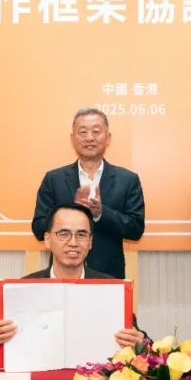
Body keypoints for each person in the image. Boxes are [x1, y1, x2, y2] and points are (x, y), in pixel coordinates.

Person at [0, 203, 146, 365]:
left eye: (81, 235)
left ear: (90, 242)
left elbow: (143, 345)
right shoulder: (23, 288)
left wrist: (141, 344)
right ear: (47, 239)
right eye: (63, 234)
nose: (73, 243)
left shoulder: (111, 289)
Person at [32, 108, 145, 279]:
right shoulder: (53, 179)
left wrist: (101, 213)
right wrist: (72, 211)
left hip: (108, 274)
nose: (90, 138)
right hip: (62, 275)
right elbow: (39, 228)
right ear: (73, 139)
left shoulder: (127, 180)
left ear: (108, 137)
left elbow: (136, 230)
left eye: (96, 131)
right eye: (83, 132)